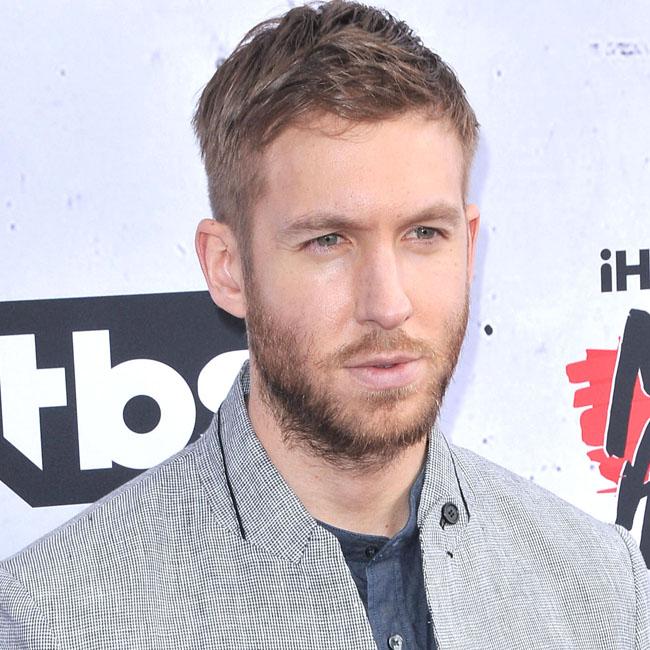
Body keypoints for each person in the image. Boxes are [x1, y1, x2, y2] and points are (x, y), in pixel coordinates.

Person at [1, 1, 648, 648]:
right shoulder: (56, 621)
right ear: (229, 268)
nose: (388, 304)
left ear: (470, 245)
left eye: (425, 233)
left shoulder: (601, 587)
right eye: (329, 241)